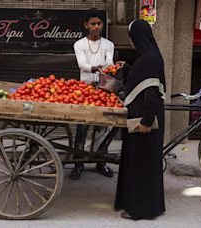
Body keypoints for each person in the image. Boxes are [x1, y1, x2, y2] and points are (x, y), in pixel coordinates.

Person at [114, 19, 166, 220]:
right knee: (142, 161)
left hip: (144, 120)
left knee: (141, 163)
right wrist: (127, 67)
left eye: (131, 36)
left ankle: (142, 210)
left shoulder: (149, 59)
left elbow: (151, 91)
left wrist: (145, 121)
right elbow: (143, 81)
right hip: (143, 116)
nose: (130, 40)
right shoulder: (149, 56)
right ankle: (141, 204)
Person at [70, 8, 115, 180]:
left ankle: (101, 162)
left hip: (103, 90)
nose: (96, 27)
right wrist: (97, 69)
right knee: (82, 128)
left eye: (99, 24)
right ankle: (78, 164)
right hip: (84, 90)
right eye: (93, 24)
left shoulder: (108, 45)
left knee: (103, 127)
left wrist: (110, 68)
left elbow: (109, 62)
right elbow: (82, 65)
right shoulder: (79, 44)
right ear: (86, 25)